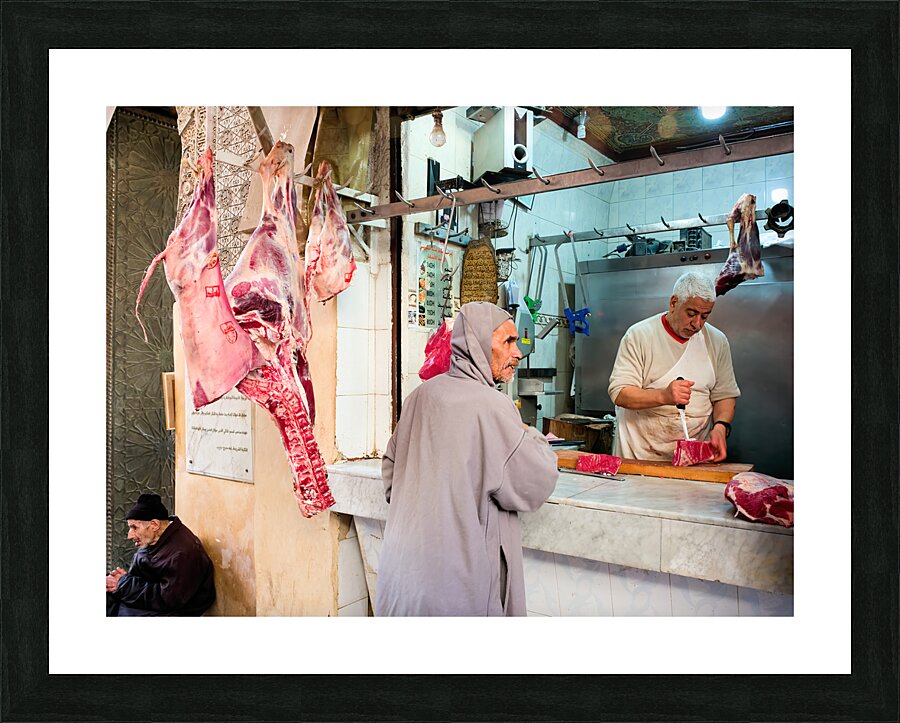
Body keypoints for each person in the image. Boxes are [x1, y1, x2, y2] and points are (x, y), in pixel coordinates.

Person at [376, 302, 559, 616]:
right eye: (508, 342)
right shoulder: (493, 406)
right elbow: (537, 482)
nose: (518, 353)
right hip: (454, 586)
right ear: (476, 346)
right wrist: (530, 434)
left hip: (400, 578)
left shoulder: (420, 396)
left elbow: (392, 478)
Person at [608, 271, 740, 462]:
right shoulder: (640, 335)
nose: (697, 324)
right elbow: (619, 393)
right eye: (691, 313)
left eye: (705, 316)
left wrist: (721, 426)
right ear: (673, 303)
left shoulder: (717, 341)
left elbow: (725, 394)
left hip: (693, 456)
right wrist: (664, 396)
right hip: (640, 454)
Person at [106, 493, 216, 617]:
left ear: (154, 525)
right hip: (151, 597)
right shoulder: (155, 538)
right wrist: (123, 581)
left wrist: (124, 585)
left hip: (174, 610)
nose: (129, 535)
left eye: (134, 527)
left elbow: (169, 599)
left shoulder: (181, 554)